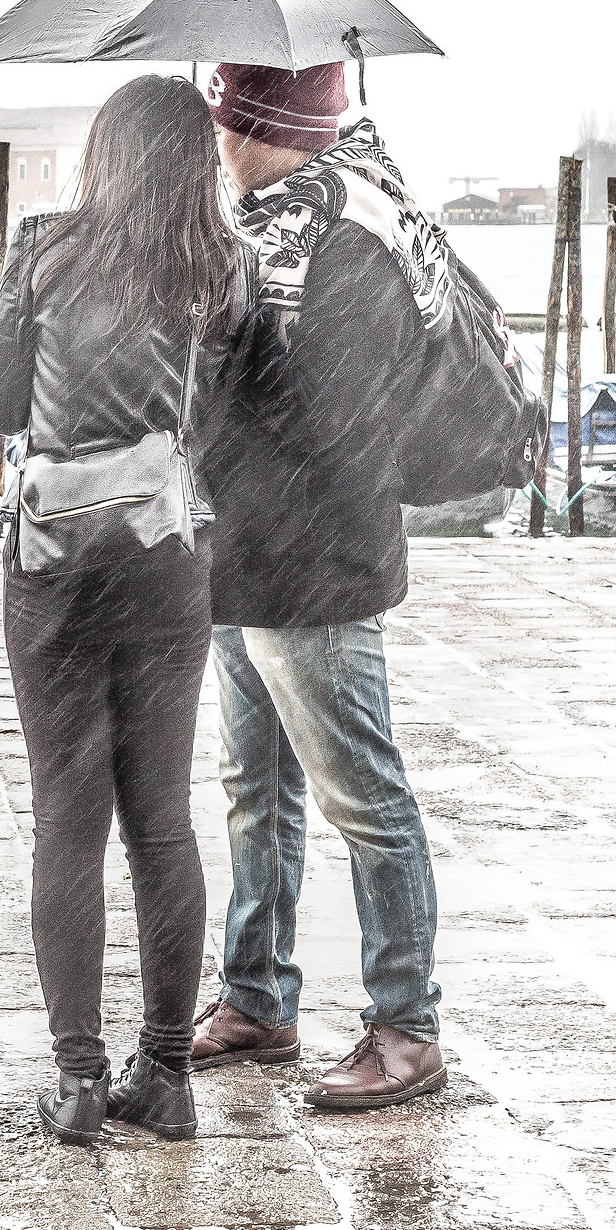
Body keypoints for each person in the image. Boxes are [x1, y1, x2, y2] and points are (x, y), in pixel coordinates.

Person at [0, 74, 250, 1145]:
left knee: (66, 815)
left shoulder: (42, 249)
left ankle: (81, 1078)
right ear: (194, 161)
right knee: (160, 818)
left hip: (53, 557)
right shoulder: (221, 266)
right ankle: (169, 1077)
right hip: (165, 555)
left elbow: (4, 407)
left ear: (102, 152)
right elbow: (220, 420)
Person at [192, 60, 448, 1111]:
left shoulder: (342, 235)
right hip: (242, 557)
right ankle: (257, 998)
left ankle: (407, 1027)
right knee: (254, 793)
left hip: (315, 562)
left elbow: (336, 423)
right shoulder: (264, 227)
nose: (214, 139)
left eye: (224, 120)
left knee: (366, 800)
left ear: (259, 125)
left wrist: (212, 370)